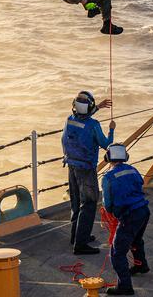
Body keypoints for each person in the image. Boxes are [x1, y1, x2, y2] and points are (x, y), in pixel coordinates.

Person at [62, 90, 116, 254]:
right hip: (85, 169)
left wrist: (97, 107)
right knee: (89, 204)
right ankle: (80, 245)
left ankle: (77, 236)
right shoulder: (93, 125)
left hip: (71, 167)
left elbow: (82, 118)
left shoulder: (69, 120)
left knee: (76, 203)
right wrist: (111, 130)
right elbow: (107, 144)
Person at [101, 143, 150, 296]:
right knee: (136, 240)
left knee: (117, 252)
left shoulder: (108, 177)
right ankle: (141, 265)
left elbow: (107, 204)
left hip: (129, 216)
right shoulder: (133, 169)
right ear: (125, 157)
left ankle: (125, 286)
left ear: (107, 157)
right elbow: (140, 185)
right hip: (144, 211)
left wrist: (113, 213)